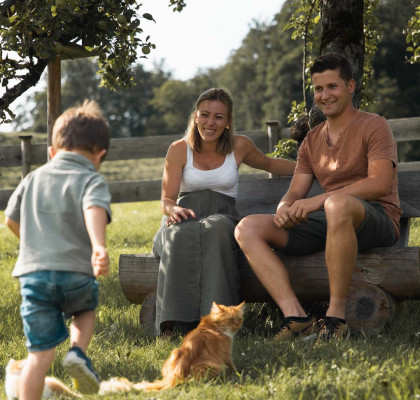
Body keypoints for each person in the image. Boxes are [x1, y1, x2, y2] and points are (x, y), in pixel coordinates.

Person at [234, 53, 401, 342]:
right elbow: (295, 191)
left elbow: (379, 184)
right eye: (319, 89)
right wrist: (284, 208)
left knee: (335, 204)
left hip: (376, 218)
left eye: (332, 86)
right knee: (247, 228)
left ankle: (335, 319)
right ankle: (298, 318)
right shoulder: (312, 141)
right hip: (331, 219)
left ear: (350, 86)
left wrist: (317, 201)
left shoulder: (374, 125)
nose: (325, 95)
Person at [152, 88, 296, 337]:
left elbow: (270, 163)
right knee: (179, 234)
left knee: (217, 229)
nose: (210, 122)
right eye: (205, 114)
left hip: (223, 215)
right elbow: (166, 199)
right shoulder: (178, 149)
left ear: (228, 121)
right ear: (195, 116)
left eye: (218, 117)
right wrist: (174, 209)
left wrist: (314, 169)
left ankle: (219, 322)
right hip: (185, 214)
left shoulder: (240, 146)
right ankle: (172, 323)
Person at [4, 100, 112, 400]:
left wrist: (35, 245)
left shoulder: (32, 178)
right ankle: (78, 352)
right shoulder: (91, 178)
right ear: (99, 155)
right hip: (75, 272)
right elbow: (93, 208)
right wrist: (98, 246)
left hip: (34, 275)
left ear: (52, 151)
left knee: (38, 356)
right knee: (85, 309)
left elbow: (10, 219)